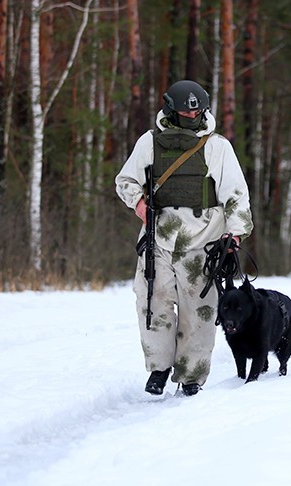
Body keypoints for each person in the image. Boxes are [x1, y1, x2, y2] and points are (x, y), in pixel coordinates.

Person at [115, 80, 253, 396]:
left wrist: (235, 233)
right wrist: (138, 204)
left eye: (196, 111)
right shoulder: (148, 143)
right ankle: (159, 368)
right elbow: (125, 180)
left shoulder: (218, 147)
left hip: (204, 241)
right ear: (170, 110)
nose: (191, 116)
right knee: (152, 303)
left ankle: (191, 376)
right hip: (158, 239)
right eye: (184, 111)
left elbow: (236, 194)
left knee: (200, 311)